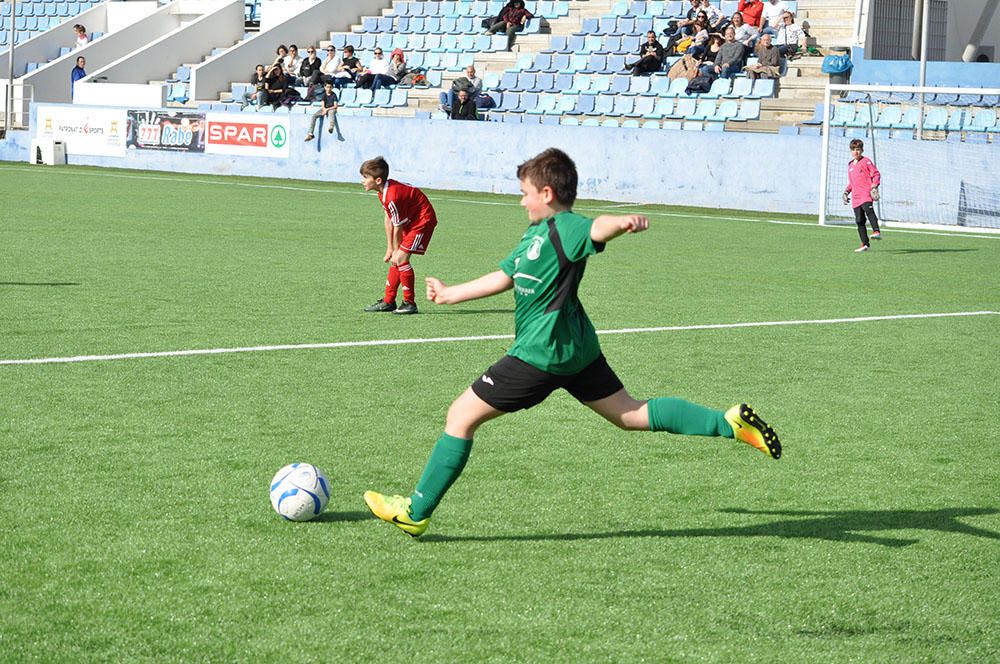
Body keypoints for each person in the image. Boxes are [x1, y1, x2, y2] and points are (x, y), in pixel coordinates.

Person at [363, 148, 782, 538]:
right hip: (576, 349)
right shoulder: (535, 235)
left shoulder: (567, 227)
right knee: (630, 414)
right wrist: (451, 293)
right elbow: (506, 276)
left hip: (540, 354)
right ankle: (727, 424)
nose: (522, 201)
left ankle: (416, 513)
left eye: (526, 193)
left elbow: (596, 228)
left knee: (460, 417)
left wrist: (621, 223)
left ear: (547, 193)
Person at [360, 156, 439, 315]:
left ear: (378, 180)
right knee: (396, 259)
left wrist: (396, 250)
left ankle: (409, 303)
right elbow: (389, 219)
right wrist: (390, 248)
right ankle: (388, 301)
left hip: (422, 221)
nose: (362, 181)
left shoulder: (392, 196)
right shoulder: (383, 192)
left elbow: (397, 226)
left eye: (365, 177)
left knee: (401, 258)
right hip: (409, 220)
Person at [843, 139, 882, 252]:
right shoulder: (850, 165)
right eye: (854, 150)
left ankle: (876, 231)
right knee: (859, 220)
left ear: (862, 150)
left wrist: (874, 186)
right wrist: (846, 192)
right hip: (855, 197)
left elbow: (876, 174)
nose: (856, 152)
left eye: (858, 150)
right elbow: (852, 182)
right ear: (851, 151)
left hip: (866, 193)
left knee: (868, 210)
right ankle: (865, 244)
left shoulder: (866, 161)